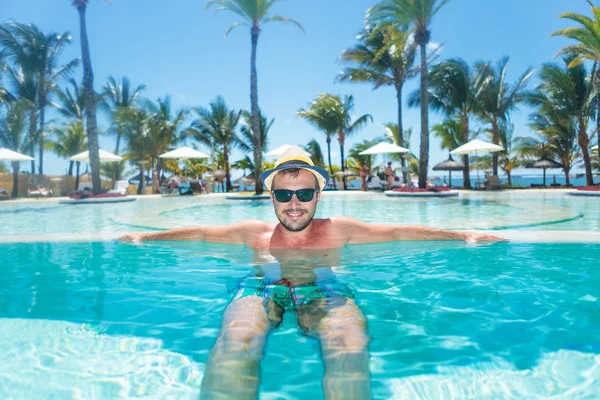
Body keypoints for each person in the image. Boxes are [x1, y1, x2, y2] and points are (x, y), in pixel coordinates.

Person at [119, 146, 503, 399]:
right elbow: (201, 233)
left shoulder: (339, 229)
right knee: (236, 341)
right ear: (272, 198)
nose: (294, 204)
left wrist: (463, 235)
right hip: (259, 289)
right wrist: (144, 237)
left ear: (318, 195)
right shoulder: (254, 233)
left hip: (324, 291)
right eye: (284, 195)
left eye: (304, 194)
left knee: (350, 343)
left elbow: (400, 232)